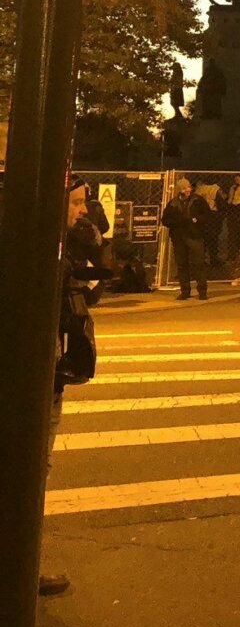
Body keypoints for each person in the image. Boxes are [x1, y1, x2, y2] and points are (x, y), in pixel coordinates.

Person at [41, 181, 109, 596]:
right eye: (77, 202)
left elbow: (96, 289)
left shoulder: (65, 247)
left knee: (37, 469)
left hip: (51, 367)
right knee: (31, 469)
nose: (83, 210)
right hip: (36, 371)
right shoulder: (43, 249)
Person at [161, 175, 212, 300]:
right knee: (182, 265)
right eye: (184, 188)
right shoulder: (173, 203)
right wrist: (180, 221)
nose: (187, 190)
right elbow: (165, 220)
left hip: (195, 236)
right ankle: (185, 291)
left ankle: (202, 291)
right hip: (179, 238)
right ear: (179, 190)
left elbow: (207, 215)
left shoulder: (198, 200)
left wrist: (196, 220)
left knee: (198, 264)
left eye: (188, 187)